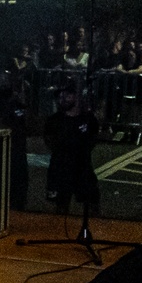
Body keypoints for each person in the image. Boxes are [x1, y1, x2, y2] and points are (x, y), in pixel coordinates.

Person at [43, 84, 100, 214]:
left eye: (68, 95)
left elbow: (93, 137)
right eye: (61, 96)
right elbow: (49, 140)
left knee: (92, 202)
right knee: (59, 205)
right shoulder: (54, 120)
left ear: (77, 97)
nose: (63, 99)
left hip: (83, 167)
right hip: (60, 168)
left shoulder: (87, 119)